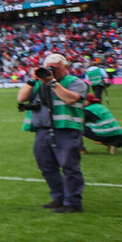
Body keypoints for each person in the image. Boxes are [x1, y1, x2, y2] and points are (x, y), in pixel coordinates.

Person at [18, 52, 87, 213]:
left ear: (65, 67)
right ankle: (59, 197)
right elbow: (21, 98)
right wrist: (33, 79)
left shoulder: (75, 82)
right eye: (48, 68)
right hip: (42, 130)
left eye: (55, 68)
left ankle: (73, 202)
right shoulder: (38, 82)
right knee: (46, 167)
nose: (51, 71)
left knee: (69, 167)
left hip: (66, 129)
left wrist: (53, 82)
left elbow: (70, 99)